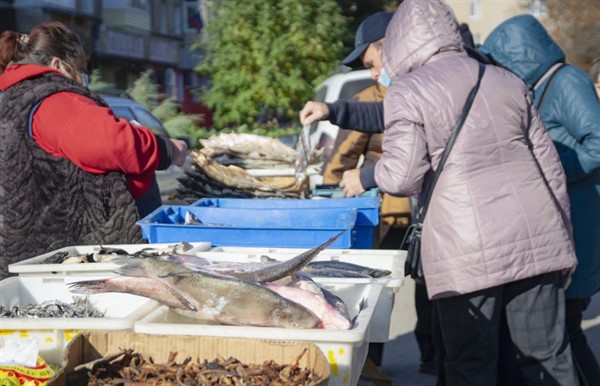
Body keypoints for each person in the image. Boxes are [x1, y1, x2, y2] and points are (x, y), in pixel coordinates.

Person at [303, 0, 580, 384]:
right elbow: (550, 169)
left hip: (466, 249)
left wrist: (366, 175)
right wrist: (564, 240)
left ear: (398, 42)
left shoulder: (409, 91)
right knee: (548, 357)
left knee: (471, 365)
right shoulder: (505, 79)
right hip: (538, 238)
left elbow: (401, 177)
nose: (375, 72)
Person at [0, 22, 188, 280]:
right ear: (58, 66)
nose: (84, 82)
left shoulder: (18, 97)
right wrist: (166, 149)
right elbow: (113, 143)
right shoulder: (54, 100)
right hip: (60, 261)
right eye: (81, 72)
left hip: (39, 255)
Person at [480, 14, 600, 386]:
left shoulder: (567, 81)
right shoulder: (539, 87)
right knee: (560, 329)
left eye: (501, 63)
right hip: (563, 220)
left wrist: (541, 165)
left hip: (578, 221)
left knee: (563, 328)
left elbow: (597, 143)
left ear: (519, 57)